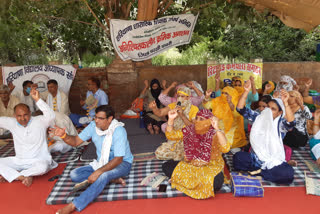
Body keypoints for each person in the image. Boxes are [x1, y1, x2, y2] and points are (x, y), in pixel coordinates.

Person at [52, 105, 133, 214]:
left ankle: (73, 205)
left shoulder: (119, 131)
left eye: (100, 118)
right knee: (74, 174)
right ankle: (112, 179)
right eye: (95, 117)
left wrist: (98, 172)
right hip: (102, 162)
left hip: (122, 163)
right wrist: (64, 136)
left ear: (110, 119)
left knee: (103, 175)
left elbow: (118, 159)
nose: (96, 121)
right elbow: (76, 141)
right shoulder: (92, 126)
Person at [233, 80, 295, 184]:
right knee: (238, 157)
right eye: (268, 107)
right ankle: (263, 171)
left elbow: (291, 123)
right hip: (256, 158)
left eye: (273, 109)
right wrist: (246, 91)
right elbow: (240, 109)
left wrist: (285, 103)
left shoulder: (280, 124)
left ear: (280, 112)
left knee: (288, 173)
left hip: (274, 160)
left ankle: (261, 172)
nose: (269, 110)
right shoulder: (258, 117)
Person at [162, 109, 230, 199]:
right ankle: (193, 182)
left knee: (216, 182)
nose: (197, 121)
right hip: (192, 165)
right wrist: (170, 119)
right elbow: (171, 135)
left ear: (209, 121)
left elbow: (225, 149)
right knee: (166, 166)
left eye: (201, 119)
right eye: (197, 118)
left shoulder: (215, 133)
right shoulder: (190, 130)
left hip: (210, 167)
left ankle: (181, 180)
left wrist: (217, 128)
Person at [0, 88, 57, 187]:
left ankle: (14, 175)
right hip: (19, 161)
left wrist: (38, 100)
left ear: (30, 113)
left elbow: (51, 116)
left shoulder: (40, 121)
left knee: (43, 167)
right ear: (14, 116)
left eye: (25, 115)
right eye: (19, 116)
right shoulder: (11, 122)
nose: (22, 118)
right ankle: (23, 176)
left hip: (38, 161)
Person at [149, 87, 198, 161]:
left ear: (188, 97)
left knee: (189, 155)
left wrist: (182, 115)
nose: (180, 99)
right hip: (174, 138)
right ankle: (179, 155)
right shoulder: (173, 105)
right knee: (159, 153)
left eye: (182, 96)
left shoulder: (194, 109)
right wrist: (154, 108)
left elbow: (193, 127)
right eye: (178, 96)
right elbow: (160, 113)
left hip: (187, 139)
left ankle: (182, 155)